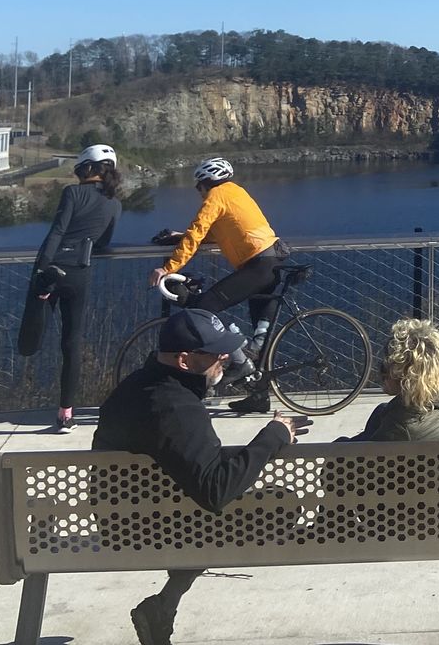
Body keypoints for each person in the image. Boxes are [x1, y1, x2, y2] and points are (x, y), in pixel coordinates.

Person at [93, 308, 309, 645]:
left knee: (213, 510)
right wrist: (273, 437)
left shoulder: (136, 387)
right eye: (215, 352)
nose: (225, 356)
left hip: (122, 521)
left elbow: (185, 463)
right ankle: (164, 604)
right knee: (278, 504)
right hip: (150, 532)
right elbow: (215, 491)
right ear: (184, 360)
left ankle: (164, 606)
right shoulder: (176, 407)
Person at [149, 157, 285, 414]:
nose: (198, 192)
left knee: (206, 307)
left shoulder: (216, 196)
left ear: (206, 183)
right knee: (259, 338)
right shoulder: (236, 192)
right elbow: (220, 230)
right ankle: (258, 395)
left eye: (198, 186)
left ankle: (241, 364)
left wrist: (168, 268)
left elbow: (198, 230)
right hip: (272, 260)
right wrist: (180, 236)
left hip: (257, 265)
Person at [21, 144, 123, 431]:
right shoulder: (114, 203)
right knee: (72, 343)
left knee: (30, 337)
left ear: (87, 169)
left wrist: (42, 269)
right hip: (80, 272)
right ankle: (66, 413)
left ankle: (42, 298)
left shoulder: (73, 193)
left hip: (53, 269)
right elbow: (104, 241)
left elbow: (57, 231)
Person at [343, 318, 439, 442]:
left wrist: (340, 444)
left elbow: (356, 464)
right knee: (381, 411)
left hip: (415, 468)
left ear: (405, 376)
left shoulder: (401, 425)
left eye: (388, 364)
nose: (382, 370)